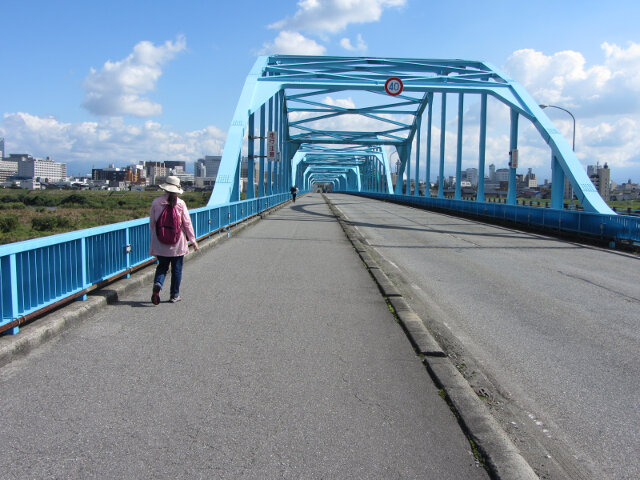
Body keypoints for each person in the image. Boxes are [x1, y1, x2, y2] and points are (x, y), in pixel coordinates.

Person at [149, 176, 199, 304]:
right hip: (178, 244)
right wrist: (193, 241)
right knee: (176, 270)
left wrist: (156, 239)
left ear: (165, 188)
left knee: (162, 267)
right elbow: (187, 224)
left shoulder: (156, 202)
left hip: (161, 244)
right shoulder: (181, 204)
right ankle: (174, 295)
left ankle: (158, 285)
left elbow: (152, 224)